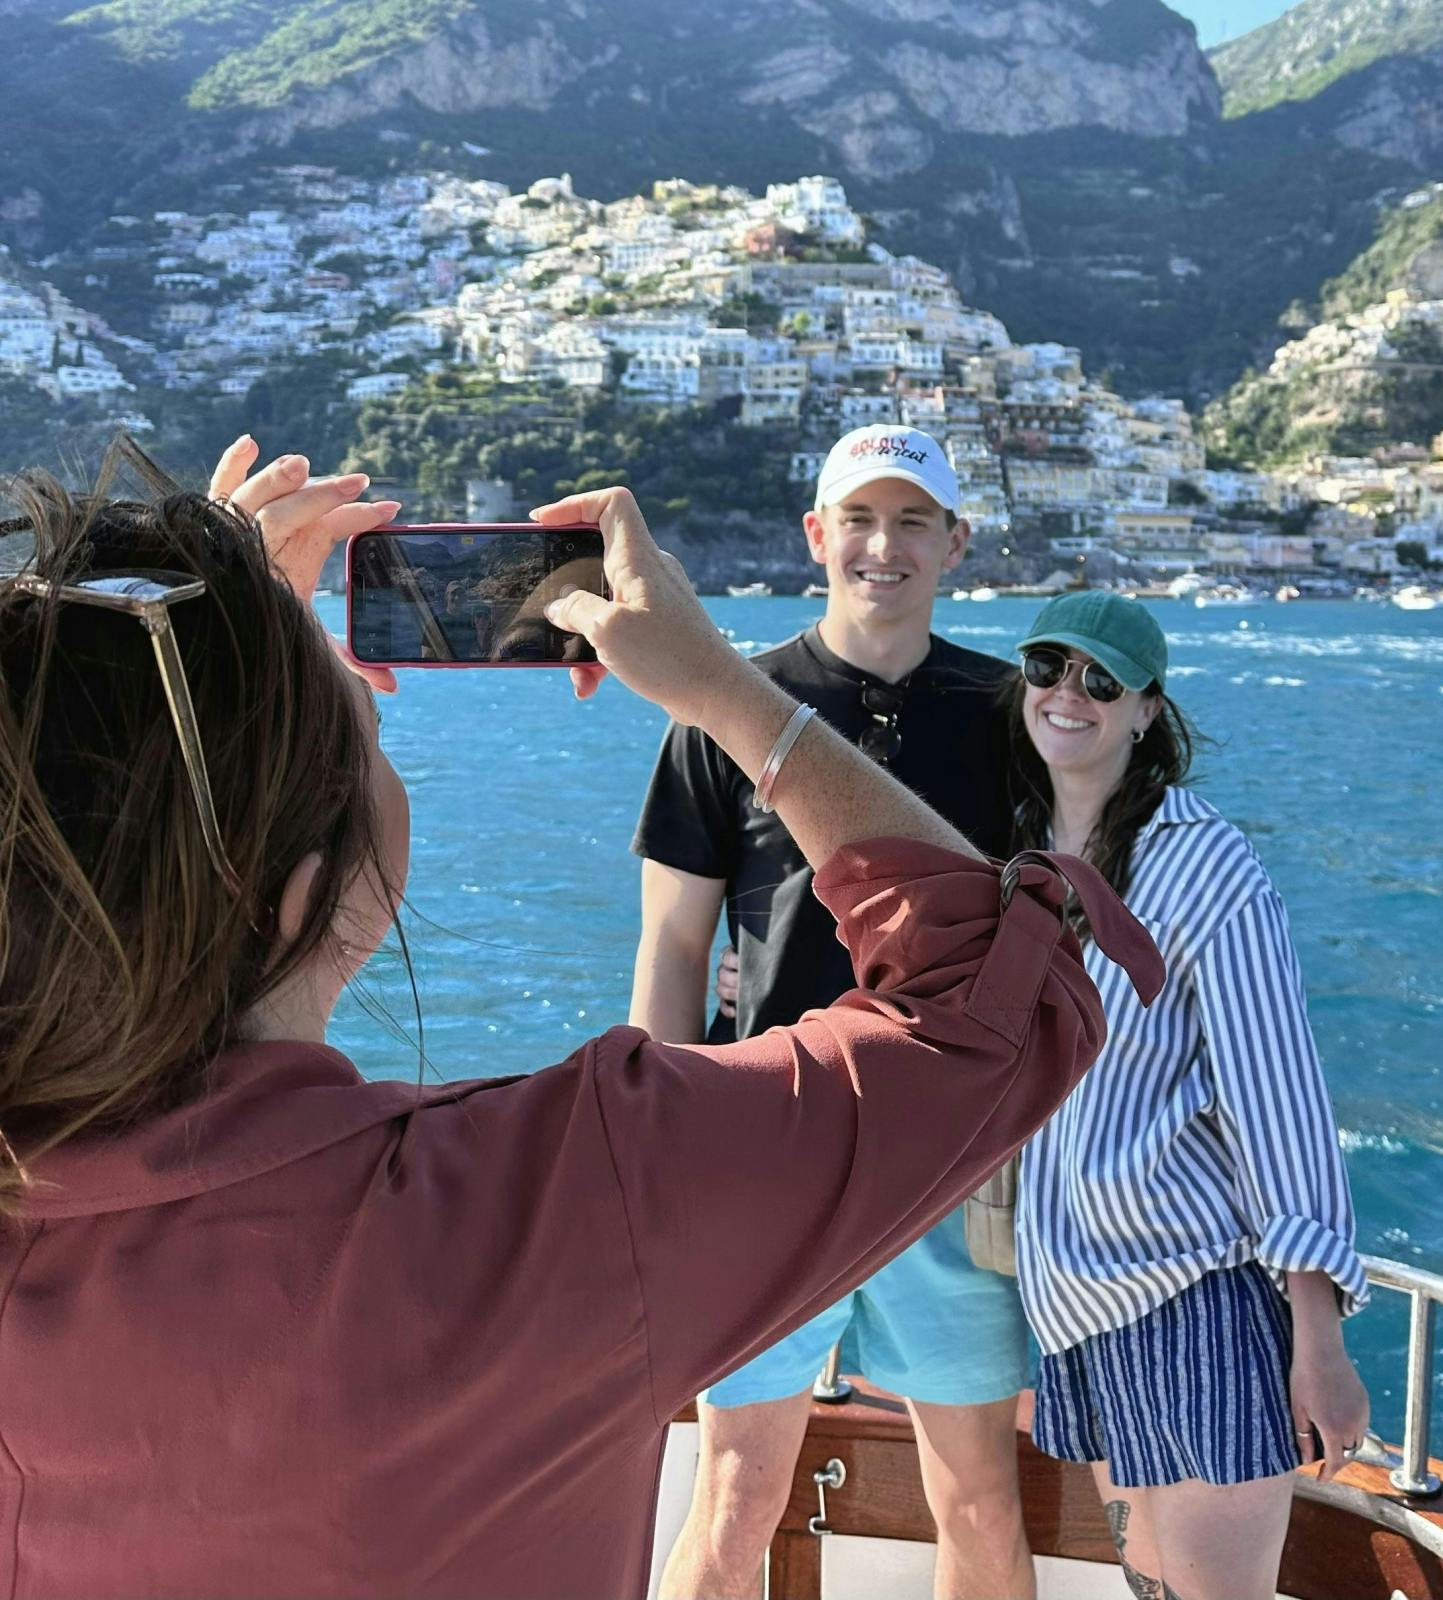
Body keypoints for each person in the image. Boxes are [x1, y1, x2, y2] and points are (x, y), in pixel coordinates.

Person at [0, 438, 1162, 1598]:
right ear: (306, 894)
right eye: (366, 735)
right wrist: (721, 687)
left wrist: (181, 683)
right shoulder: (564, 1209)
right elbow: (997, 1006)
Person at [633, 425, 1042, 1600]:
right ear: (815, 536)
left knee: (974, 1498)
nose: (883, 544)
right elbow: (672, 951)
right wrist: (657, 1143)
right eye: (858, 518)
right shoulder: (726, 709)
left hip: (951, 1164)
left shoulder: (1012, 715)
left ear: (955, 543)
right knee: (735, 1498)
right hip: (765, 1156)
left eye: (914, 519)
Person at [1000, 590, 1372, 1600]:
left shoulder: (1205, 865)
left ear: (1144, 709)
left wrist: (1319, 1339)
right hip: (1078, 1305)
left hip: (1191, 1293)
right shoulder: (1019, 858)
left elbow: (1278, 1096)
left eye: (1099, 681)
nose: (1066, 694)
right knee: (1151, 1592)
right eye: (1046, 667)